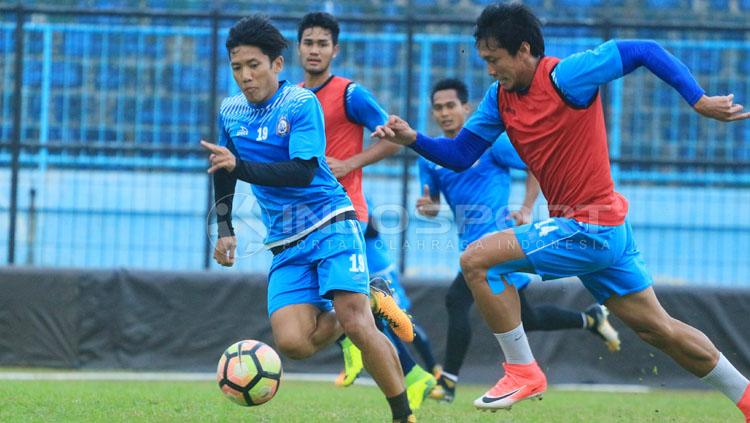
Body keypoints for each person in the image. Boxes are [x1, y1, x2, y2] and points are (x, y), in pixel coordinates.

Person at [373, 3, 750, 419]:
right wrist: (412, 139)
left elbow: (644, 48)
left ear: (523, 50)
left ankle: (522, 370)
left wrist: (697, 99)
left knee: (476, 260)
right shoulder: (499, 99)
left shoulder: (566, 76)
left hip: (590, 226)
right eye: (484, 61)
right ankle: (747, 398)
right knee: (658, 329)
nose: (489, 70)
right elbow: (461, 153)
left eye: (494, 60)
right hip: (602, 229)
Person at [203, 15, 415, 422]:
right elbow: (224, 168)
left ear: (277, 65)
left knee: (356, 323)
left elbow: (301, 171)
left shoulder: (301, 104)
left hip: (331, 221)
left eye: (253, 66)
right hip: (285, 241)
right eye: (236, 68)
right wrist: (225, 229)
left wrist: (238, 165)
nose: (245, 76)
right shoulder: (230, 111)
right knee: (294, 343)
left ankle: (403, 415)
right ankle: (372, 296)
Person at [416, 78, 621, 403]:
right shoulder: (430, 157)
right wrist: (428, 209)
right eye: (438, 108)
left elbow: (534, 165)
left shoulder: (490, 144)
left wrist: (526, 208)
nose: (444, 113)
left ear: (466, 108)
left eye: (450, 105)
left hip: (500, 245)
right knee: (528, 318)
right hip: (470, 247)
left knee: (456, 300)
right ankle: (590, 318)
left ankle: (449, 383)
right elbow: (432, 203)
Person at [296, 12, 437, 411]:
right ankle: (414, 374)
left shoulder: (350, 94)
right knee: (342, 310)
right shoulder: (292, 96)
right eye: (309, 42)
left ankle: (395, 377)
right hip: (304, 219)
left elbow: (395, 140)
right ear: (299, 47)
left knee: (347, 308)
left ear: (334, 50)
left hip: (344, 213)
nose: (315, 50)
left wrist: (350, 162)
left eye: (323, 43)